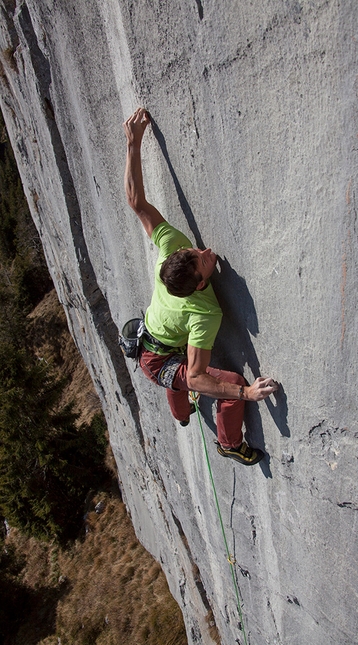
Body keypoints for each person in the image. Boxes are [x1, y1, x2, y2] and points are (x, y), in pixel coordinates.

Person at [123, 107, 278, 466]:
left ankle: (181, 415)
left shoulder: (171, 250)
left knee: (180, 380)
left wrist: (133, 144)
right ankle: (229, 444)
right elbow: (196, 375)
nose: (206, 250)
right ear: (201, 283)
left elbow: (136, 202)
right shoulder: (204, 311)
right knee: (224, 382)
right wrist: (247, 392)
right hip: (159, 358)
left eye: (197, 252)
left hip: (154, 340)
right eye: (204, 259)